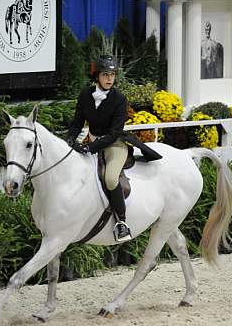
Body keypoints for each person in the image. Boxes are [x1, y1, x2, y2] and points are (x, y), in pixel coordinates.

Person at [67, 55, 162, 242]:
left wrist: (90, 147)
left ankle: (122, 223)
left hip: (114, 145)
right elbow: (77, 123)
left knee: (110, 179)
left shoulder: (119, 99)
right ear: (96, 76)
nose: (110, 78)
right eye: (105, 74)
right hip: (91, 142)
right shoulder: (85, 95)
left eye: (112, 74)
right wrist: (70, 139)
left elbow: (114, 132)